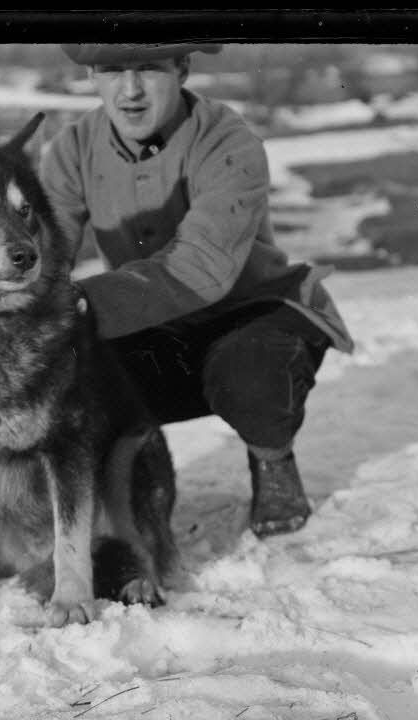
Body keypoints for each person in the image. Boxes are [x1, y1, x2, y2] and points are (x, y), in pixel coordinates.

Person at [40, 43, 355, 538]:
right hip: (152, 322)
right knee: (73, 373)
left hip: (252, 312)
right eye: (112, 71)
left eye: (149, 68)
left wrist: (80, 303)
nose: (131, 90)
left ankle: (271, 456)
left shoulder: (227, 140)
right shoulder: (72, 149)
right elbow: (45, 251)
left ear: (182, 68)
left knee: (249, 374)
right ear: (92, 76)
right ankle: (128, 485)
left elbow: (201, 266)